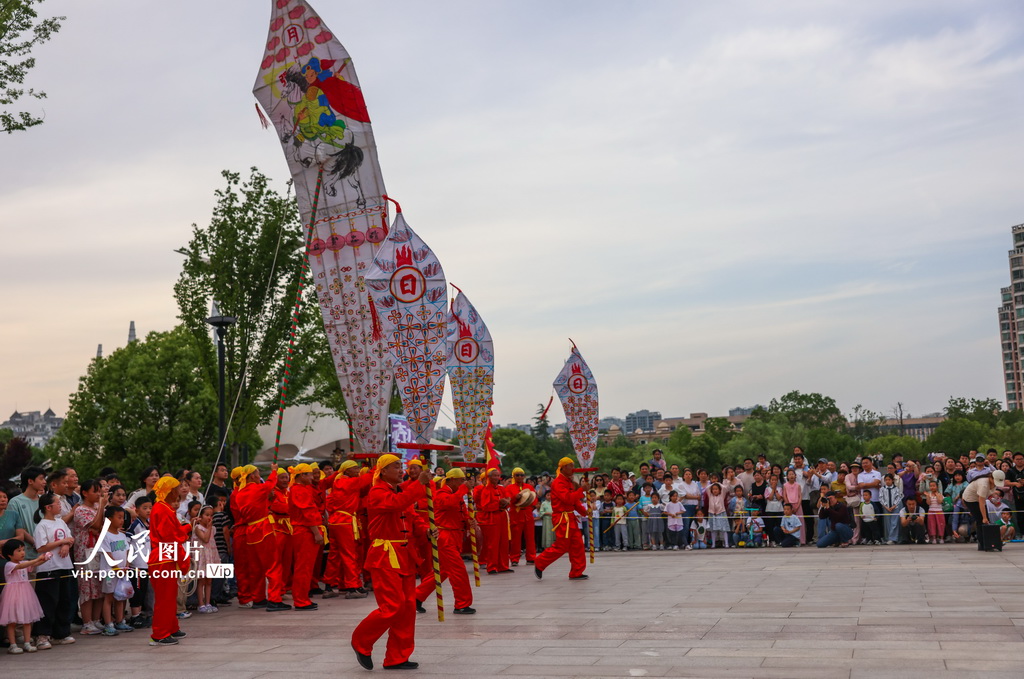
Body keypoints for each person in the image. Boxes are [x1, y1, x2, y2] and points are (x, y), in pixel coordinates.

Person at [351, 454, 430, 671]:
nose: (400, 469)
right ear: (383, 470)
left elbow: (413, 518)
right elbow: (396, 504)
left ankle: (397, 657)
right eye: (395, 466)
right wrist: (418, 484)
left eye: (400, 466)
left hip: (404, 555)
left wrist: (426, 531)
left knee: (406, 608)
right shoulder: (377, 491)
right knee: (392, 606)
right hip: (385, 555)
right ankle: (361, 641)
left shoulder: (401, 491)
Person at [414, 467, 475, 615]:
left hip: (455, 536)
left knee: (442, 572)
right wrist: (463, 490)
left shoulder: (456, 494)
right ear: (452, 480)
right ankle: (461, 604)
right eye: (460, 481)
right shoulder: (441, 493)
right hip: (445, 537)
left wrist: (469, 522)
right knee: (458, 571)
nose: (463, 483)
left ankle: (416, 596)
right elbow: (449, 503)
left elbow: (461, 512)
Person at [148, 475, 194, 646]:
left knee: (170, 596)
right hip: (163, 557)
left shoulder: (165, 508)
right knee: (164, 598)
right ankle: (159, 634)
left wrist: (188, 527)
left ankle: (171, 627)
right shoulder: (162, 509)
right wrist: (188, 529)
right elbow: (171, 537)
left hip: (165, 556)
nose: (177, 492)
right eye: (175, 488)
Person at [31, 492, 76, 648]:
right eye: (57, 503)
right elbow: (41, 547)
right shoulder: (42, 526)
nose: (60, 505)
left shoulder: (61, 522)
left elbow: (70, 538)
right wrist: (61, 542)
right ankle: (42, 635)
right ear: (48, 507)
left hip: (64, 566)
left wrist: (65, 544)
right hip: (49, 568)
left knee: (65, 600)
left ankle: (61, 633)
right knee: (48, 601)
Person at [534, 457, 588, 580]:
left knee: (578, 545)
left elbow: (574, 502)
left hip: (570, 517)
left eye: (573, 465)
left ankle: (577, 572)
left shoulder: (568, 482)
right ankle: (540, 562)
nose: (573, 468)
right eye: (570, 466)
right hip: (562, 518)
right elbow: (567, 498)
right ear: (563, 468)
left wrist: (584, 511)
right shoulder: (558, 482)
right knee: (562, 546)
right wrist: (582, 490)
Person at [325, 460, 372, 599]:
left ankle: (329, 584)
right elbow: (367, 478)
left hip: (335, 521)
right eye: (355, 468)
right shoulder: (349, 482)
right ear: (347, 471)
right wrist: (376, 467)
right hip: (344, 522)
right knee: (349, 555)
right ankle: (352, 587)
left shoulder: (338, 483)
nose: (358, 470)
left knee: (334, 555)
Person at [1, 539, 50, 654]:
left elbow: (34, 564)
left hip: (25, 592)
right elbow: (29, 563)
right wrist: (38, 559)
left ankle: (27, 642)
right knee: (12, 621)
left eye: (23, 550)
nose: (23, 552)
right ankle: (13, 644)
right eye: (19, 550)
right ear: (9, 554)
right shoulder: (9, 565)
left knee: (27, 619)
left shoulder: (23, 563)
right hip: (13, 594)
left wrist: (44, 559)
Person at [288, 464, 325, 612]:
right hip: (305, 532)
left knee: (305, 567)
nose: (313, 477)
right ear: (301, 476)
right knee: (303, 567)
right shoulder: (299, 490)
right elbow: (308, 514)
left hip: (305, 531)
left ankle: (303, 598)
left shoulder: (301, 489)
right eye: (309, 474)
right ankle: (301, 600)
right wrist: (316, 533)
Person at [74, 478, 108, 635]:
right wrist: (101, 506)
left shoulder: (97, 508)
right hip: (85, 554)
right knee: (87, 587)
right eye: (95, 491)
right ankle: (86, 623)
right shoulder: (80, 510)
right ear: (85, 493)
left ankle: (96, 620)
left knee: (100, 587)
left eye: (99, 491)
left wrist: (100, 509)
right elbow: (94, 525)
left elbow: (102, 526)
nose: (98, 494)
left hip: (100, 551)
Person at [98, 505, 133, 635]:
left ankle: (120, 621)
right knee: (109, 597)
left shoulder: (122, 535)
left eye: (122, 518)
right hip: (110, 572)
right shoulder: (105, 536)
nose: (122, 520)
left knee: (121, 597)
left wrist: (127, 565)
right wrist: (116, 568)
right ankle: (108, 624)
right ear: (109, 519)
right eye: (118, 517)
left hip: (122, 572)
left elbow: (128, 551)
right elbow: (107, 554)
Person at [475, 467, 513, 574]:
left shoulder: (501, 489)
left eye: (497, 475)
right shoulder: (486, 490)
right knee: (493, 544)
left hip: (502, 517)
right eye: (494, 475)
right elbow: (485, 506)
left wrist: (506, 503)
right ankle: (492, 567)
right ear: (489, 477)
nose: (496, 477)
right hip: (492, 518)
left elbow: (508, 500)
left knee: (504, 542)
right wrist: (499, 504)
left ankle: (503, 566)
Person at [7, 467, 46, 558]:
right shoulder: (15, 502)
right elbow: (16, 528)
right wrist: (35, 543)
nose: (44, 482)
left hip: (46, 554)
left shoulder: (45, 501)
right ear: (30, 481)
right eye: (41, 479)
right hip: (26, 556)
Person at [962, 470, 1006, 551]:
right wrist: (984, 517)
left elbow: (988, 494)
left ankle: (988, 542)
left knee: (985, 521)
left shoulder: (992, 482)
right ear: (991, 478)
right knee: (981, 520)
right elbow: (982, 503)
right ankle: (983, 544)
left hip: (979, 499)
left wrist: (993, 497)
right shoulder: (983, 484)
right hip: (971, 499)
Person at [127, 497, 152, 628]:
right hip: (136, 564)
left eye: (150, 508)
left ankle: (141, 614)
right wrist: (128, 560)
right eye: (144, 508)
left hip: (146, 564)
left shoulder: (148, 524)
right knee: (136, 591)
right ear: (136, 510)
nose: (148, 510)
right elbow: (127, 540)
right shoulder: (135, 525)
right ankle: (135, 616)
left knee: (143, 590)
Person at [505, 468, 537, 566]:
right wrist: (516, 498)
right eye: (517, 475)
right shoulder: (509, 488)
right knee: (515, 538)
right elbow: (508, 501)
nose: (520, 477)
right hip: (516, 514)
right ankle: (514, 558)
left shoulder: (529, 487)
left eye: (522, 475)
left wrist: (530, 507)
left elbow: (534, 500)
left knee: (530, 537)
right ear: (514, 476)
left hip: (527, 513)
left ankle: (531, 557)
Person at [192, 505, 221, 614]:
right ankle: (201, 604)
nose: (209, 517)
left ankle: (208, 602)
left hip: (211, 555)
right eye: (207, 515)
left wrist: (210, 527)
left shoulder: (213, 528)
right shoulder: (197, 527)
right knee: (202, 580)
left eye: (211, 515)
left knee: (209, 580)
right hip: (202, 556)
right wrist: (208, 527)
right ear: (200, 516)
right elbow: (205, 539)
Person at [879, 474, 903, 545]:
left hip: (895, 507)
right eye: (886, 480)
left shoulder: (896, 489)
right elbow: (881, 498)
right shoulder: (882, 489)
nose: (888, 481)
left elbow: (898, 497)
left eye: (889, 479)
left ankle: (894, 538)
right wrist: (886, 507)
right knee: (887, 524)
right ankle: (888, 538)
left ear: (892, 480)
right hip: (886, 508)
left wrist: (894, 506)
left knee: (894, 523)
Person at [706, 484, 728, 549]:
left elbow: (724, 487)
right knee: (713, 530)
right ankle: (713, 544)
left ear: (719, 490)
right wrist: (713, 483)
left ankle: (726, 543)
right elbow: (707, 488)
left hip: (721, 513)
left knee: (724, 529)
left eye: (716, 489)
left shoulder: (721, 495)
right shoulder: (710, 496)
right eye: (713, 489)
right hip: (712, 514)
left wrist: (717, 483)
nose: (715, 490)